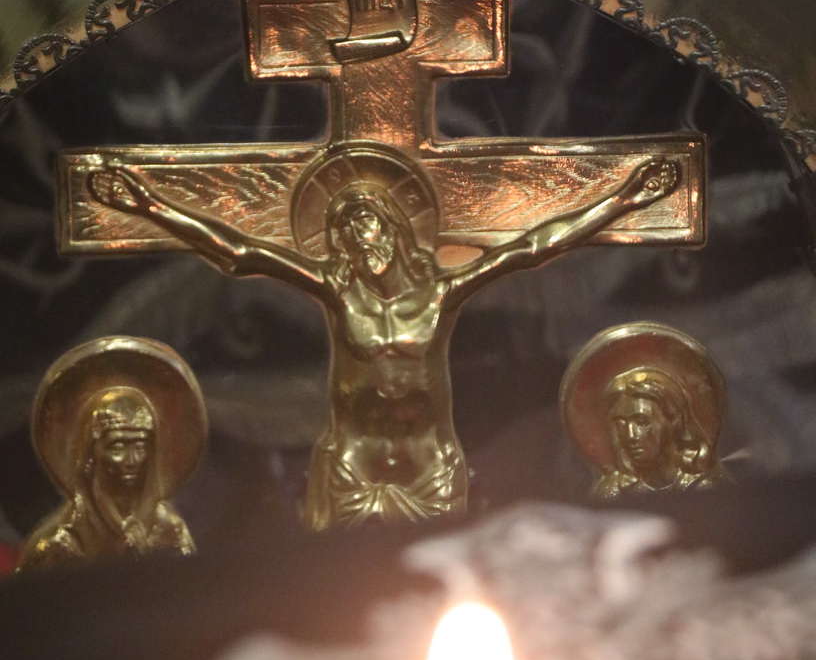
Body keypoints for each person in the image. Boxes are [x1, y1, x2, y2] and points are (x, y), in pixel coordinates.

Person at [88, 151, 679, 527]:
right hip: (354, 467)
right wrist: (147, 205)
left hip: (429, 467)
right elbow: (239, 253)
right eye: (345, 233)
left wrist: (626, 199)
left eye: (366, 225)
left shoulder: (443, 291)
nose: (357, 241)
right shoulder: (335, 292)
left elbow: (534, 247)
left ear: (393, 229)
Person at [19, 385, 195, 570]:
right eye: (117, 448)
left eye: (140, 447)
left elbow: (192, 583)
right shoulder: (61, 543)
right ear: (92, 454)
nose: (131, 461)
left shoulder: (169, 530)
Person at [596, 367, 724, 497]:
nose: (630, 435)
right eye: (620, 424)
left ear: (673, 421)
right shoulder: (611, 493)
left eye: (642, 422)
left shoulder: (706, 489)